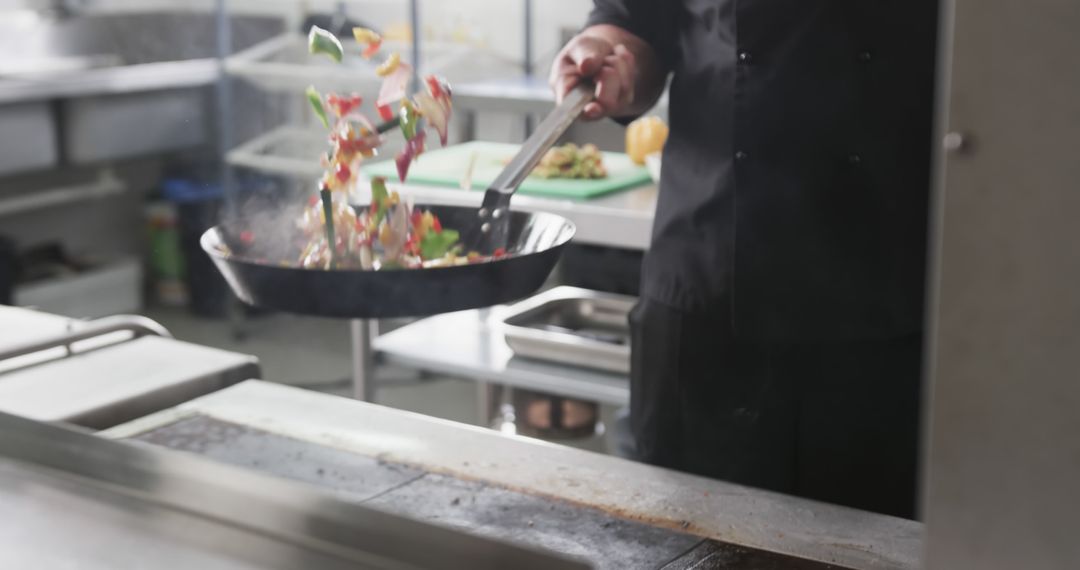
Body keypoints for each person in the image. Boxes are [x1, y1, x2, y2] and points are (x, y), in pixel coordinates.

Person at [551, 1, 939, 519]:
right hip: (711, 279)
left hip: (889, 298)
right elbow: (636, 20)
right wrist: (607, 54)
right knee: (686, 538)